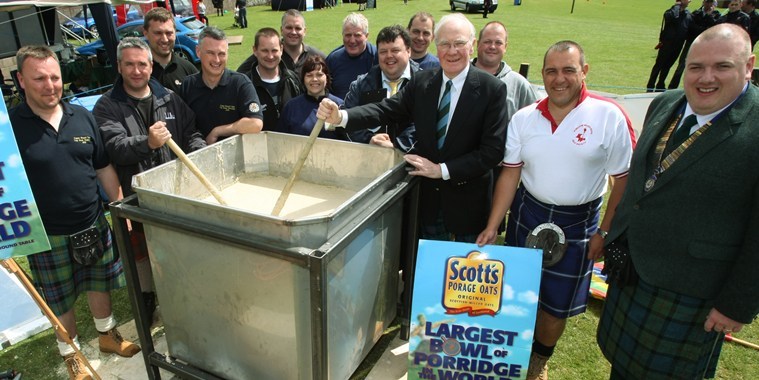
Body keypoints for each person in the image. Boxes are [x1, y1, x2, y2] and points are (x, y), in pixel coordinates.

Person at [597, 23, 759, 379]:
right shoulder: (666, 102)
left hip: (693, 291)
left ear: (749, 66)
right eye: (696, 66)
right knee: (622, 365)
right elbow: (643, 185)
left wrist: (737, 304)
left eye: (723, 67)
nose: (706, 78)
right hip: (634, 273)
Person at [475, 41, 635, 380]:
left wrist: (604, 231)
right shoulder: (524, 118)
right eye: (551, 71)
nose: (558, 79)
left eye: (568, 70)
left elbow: (624, 180)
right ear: (542, 75)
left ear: (584, 72)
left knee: (556, 302)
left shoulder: (608, 116)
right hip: (527, 212)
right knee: (517, 292)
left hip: (578, 222)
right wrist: (493, 224)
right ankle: (512, 354)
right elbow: (511, 172)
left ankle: (538, 361)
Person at [318, 13, 508, 243]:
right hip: (427, 202)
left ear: (472, 45)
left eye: (459, 43)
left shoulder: (492, 90)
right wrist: (342, 116)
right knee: (429, 272)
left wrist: (443, 170)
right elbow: (385, 109)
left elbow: (492, 152)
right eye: (445, 44)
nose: (452, 51)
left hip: (467, 207)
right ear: (437, 47)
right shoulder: (423, 82)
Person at [10, 45, 140, 380]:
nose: (49, 85)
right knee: (60, 298)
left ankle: (107, 336)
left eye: (54, 77)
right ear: (21, 80)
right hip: (45, 234)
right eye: (39, 78)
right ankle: (72, 354)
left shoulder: (81, 116)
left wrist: (120, 207)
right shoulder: (8, 128)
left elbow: (103, 167)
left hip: (92, 220)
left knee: (100, 283)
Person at [93, 37, 205, 324]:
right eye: (129, 64)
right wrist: (149, 142)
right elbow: (115, 146)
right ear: (119, 66)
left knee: (175, 250)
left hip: (174, 193)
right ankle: (147, 298)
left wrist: (198, 150)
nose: (136, 70)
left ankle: (185, 296)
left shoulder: (167, 96)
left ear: (151, 66)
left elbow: (190, 129)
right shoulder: (107, 106)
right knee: (142, 255)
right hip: (137, 197)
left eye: (142, 64)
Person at [179, 27, 263, 144]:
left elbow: (255, 124)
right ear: (198, 52)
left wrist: (218, 131)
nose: (217, 60)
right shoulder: (188, 85)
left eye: (221, 54)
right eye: (210, 53)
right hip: (198, 156)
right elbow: (182, 127)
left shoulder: (240, 83)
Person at [343, 25, 419, 152]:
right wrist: (369, 139)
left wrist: (397, 146)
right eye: (383, 52)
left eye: (395, 50)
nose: (389, 56)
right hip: (371, 161)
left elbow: (425, 124)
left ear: (409, 51)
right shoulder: (360, 85)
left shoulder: (425, 85)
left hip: (412, 164)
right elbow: (349, 120)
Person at [472, 21, 538, 125]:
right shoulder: (461, 75)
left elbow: (536, 120)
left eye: (498, 43)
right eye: (487, 42)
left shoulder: (519, 84)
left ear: (505, 47)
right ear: (478, 44)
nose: (492, 47)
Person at [244, 27, 303, 131]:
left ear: (281, 49)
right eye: (265, 51)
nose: (270, 56)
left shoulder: (293, 80)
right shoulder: (244, 84)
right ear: (255, 50)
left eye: (274, 50)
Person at [237, 10, 326, 76]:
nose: (293, 32)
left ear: (305, 31)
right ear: (281, 30)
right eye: (289, 28)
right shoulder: (269, 55)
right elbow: (239, 77)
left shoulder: (317, 56)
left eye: (298, 28)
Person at [277, 55, 343, 139]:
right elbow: (280, 140)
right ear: (303, 79)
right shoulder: (291, 107)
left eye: (319, 75)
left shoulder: (339, 105)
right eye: (309, 75)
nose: (314, 79)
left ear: (327, 77)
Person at [142, 7, 198, 93]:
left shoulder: (189, 70)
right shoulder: (138, 73)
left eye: (169, 33)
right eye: (158, 33)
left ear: (175, 33)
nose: (164, 39)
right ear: (145, 33)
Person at [668, 0, 720, 89]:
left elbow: (713, 27)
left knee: (701, 67)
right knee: (682, 65)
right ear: (703, 2)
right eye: (707, 2)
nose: (708, 4)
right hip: (691, 43)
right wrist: (703, 29)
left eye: (710, 2)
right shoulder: (696, 13)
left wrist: (709, 16)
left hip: (706, 45)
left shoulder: (716, 15)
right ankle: (672, 87)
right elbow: (691, 27)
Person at [325, 13, 378, 99]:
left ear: (366, 36)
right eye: (348, 35)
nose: (352, 40)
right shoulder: (333, 59)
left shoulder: (377, 57)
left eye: (357, 35)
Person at [646, 0, 692, 92]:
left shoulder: (688, 15)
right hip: (666, 44)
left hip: (678, 46)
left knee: (667, 66)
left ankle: (660, 85)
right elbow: (674, 17)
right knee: (658, 66)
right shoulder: (669, 12)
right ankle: (650, 85)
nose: (690, 1)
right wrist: (677, 7)